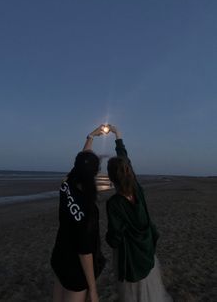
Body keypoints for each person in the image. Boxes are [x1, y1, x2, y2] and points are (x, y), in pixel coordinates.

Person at [106, 125, 173, 302]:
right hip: (146, 251)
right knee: (150, 292)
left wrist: (109, 238)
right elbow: (125, 161)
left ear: (112, 178)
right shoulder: (138, 190)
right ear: (128, 174)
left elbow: (114, 237)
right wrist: (117, 135)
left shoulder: (114, 203)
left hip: (130, 260)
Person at [51, 125, 106, 302]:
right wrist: (93, 289)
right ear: (95, 174)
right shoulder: (88, 209)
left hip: (60, 258)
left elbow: (80, 166)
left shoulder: (66, 186)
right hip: (75, 271)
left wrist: (91, 136)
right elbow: (85, 252)